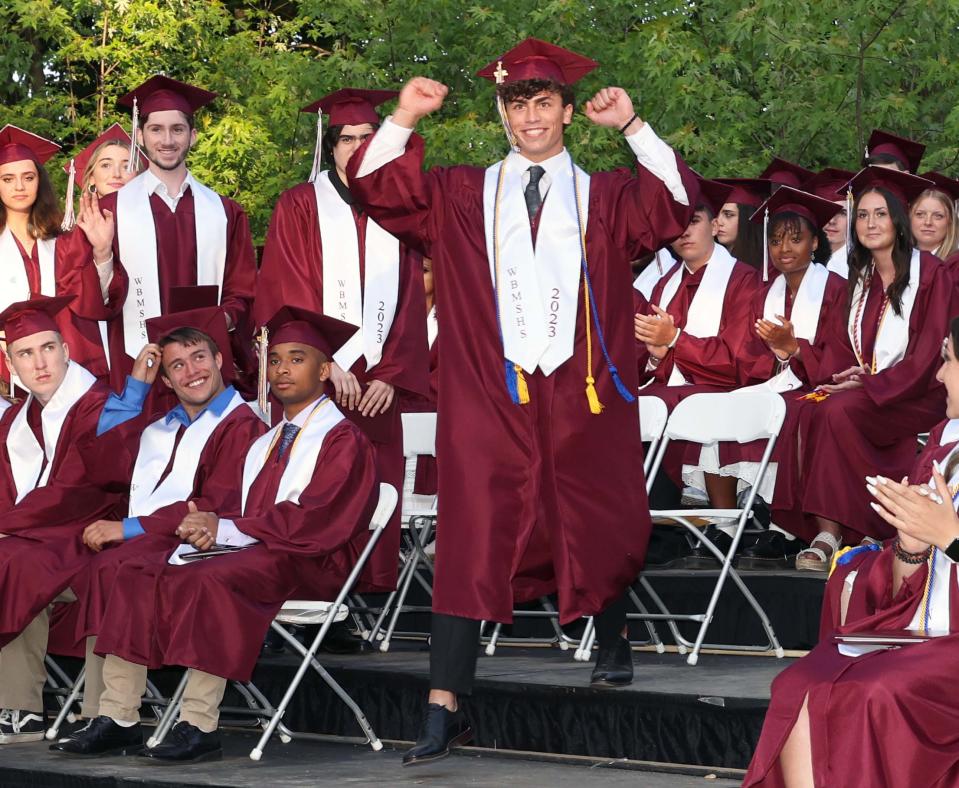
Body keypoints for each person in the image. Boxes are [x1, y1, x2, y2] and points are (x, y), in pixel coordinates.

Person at [346, 37, 698, 765]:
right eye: (516, 105)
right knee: (471, 532)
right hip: (489, 392)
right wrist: (405, 117)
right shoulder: (460, 192)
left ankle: (612, 633)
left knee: (594, 509)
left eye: (542, 103)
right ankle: (445, 704)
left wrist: (633, 128)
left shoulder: (602, 196)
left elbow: (674, 205)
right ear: (501, 115)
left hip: (581, 389)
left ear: (567, 112)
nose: (529, 116)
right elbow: (375, 187)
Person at [53, 307, 377, 763]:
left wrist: (227, 529)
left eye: (297, 359)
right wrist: (218, 532)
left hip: (313, 560)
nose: (283, 369)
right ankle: (119, 716)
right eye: (277, 360)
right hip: (261, 548)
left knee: (207, 579)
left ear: (324, 370)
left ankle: (199, 724)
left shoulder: (342, 438)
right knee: (134, 571)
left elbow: (318, 520)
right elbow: (239, 513)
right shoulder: (270, 440)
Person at [742, 318, 959, 787]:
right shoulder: (945, 447)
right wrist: (912, 547)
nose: (939, 376)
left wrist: (952, 540)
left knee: (872, 691)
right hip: (922, 629)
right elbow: (910, 579)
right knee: (799, 683)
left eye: (948, 361)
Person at [44, 306, 265, 741]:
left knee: (126, 567)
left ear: (220, 360)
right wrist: (134, 390)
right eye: (176, 366)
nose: (191, 372)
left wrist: (128, 529)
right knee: (112, 567)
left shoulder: (244, 426)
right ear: (166, 381)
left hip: (212, 544)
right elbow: (105, 462)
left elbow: (216, 503)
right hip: (155, 545)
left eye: (199, 357)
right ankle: (116, 714)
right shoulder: (159, 426)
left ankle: (172, 718)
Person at [254, 87, 429, 593]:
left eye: (366, 137)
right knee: (312, 486)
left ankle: (366, 595)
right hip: (319, 383)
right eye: (345, 139)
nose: (356, 147)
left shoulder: (401, 208)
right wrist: (327, 364)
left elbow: (412, 305)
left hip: (377, 387)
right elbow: (287, 291)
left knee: (374, 484)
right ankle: (312, 595)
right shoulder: (300, 204)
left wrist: (394, 376)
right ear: (330, 148)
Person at [790, 167, 956, 571]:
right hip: (874, 391)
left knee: (839, 411)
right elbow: (842, 346)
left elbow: (930, 352)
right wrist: (846, 377)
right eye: (862, 215)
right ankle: (830, 531)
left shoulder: (932, 275)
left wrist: (871, 384)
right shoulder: (858, 279)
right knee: (807, 407)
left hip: (922, 394)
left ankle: (854, 529)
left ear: (898, 222)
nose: (870, 223)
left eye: (880, 214)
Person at [682, 188, 851, 569]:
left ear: (814, 243)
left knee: (797, 412)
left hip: (817, 387)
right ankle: (726, 522)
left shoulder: (837, 290)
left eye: (796, 238)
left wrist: (795, 350)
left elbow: (840, 356)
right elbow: (745, 355)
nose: (784, 248)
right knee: (724, 404)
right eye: (775, 240)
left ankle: (787, 526)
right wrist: (776, 355)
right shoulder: (763, 293)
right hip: (771, 383)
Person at [0, 296, 122, 744]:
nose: (40, 362)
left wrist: (10, 523)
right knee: (10, 560)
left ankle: (19, 708)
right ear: (11, 364)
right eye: (25, 353)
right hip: (37, 537)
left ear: (67, 350)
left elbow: (80, 487)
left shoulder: (99, 406)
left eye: (48, 348)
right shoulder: (14, 418)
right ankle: (18, 709)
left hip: (91, 532)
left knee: (10, 562)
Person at [94, 76, 257, 395]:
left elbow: (243, 291)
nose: (167, 140)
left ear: (193, 136)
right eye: (156, 129)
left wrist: (219, 321)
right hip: (136, 370)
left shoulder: (225, 212)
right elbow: (93, 302)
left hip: (204, 369)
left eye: (177, 129)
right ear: (140, 136)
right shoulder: (110, 211)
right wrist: (101, 255)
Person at [0, 125, 125, 387]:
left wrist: (102, 253)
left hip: (66, 362)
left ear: (40, 182)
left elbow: (92, 299)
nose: (19, 186)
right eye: (7, 179)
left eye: (28, 177)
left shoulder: (63, 242)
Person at [801, 168, 854, 278]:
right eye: (825, 211)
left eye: (842, 213)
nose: (831, 221)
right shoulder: (801, 258)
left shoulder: (861, 266)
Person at [713, 178, 771, 271]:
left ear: (747, 219)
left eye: (728, 215)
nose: (718, 222)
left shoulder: (764, 267)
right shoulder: (710, 260)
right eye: (717, 214)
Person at [910, 173, 959, 262]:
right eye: (920, 214)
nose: (928, 222)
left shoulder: (955, 266)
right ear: (910, 217)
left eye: (938, 216)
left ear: (950, 221)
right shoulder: (900, 262)